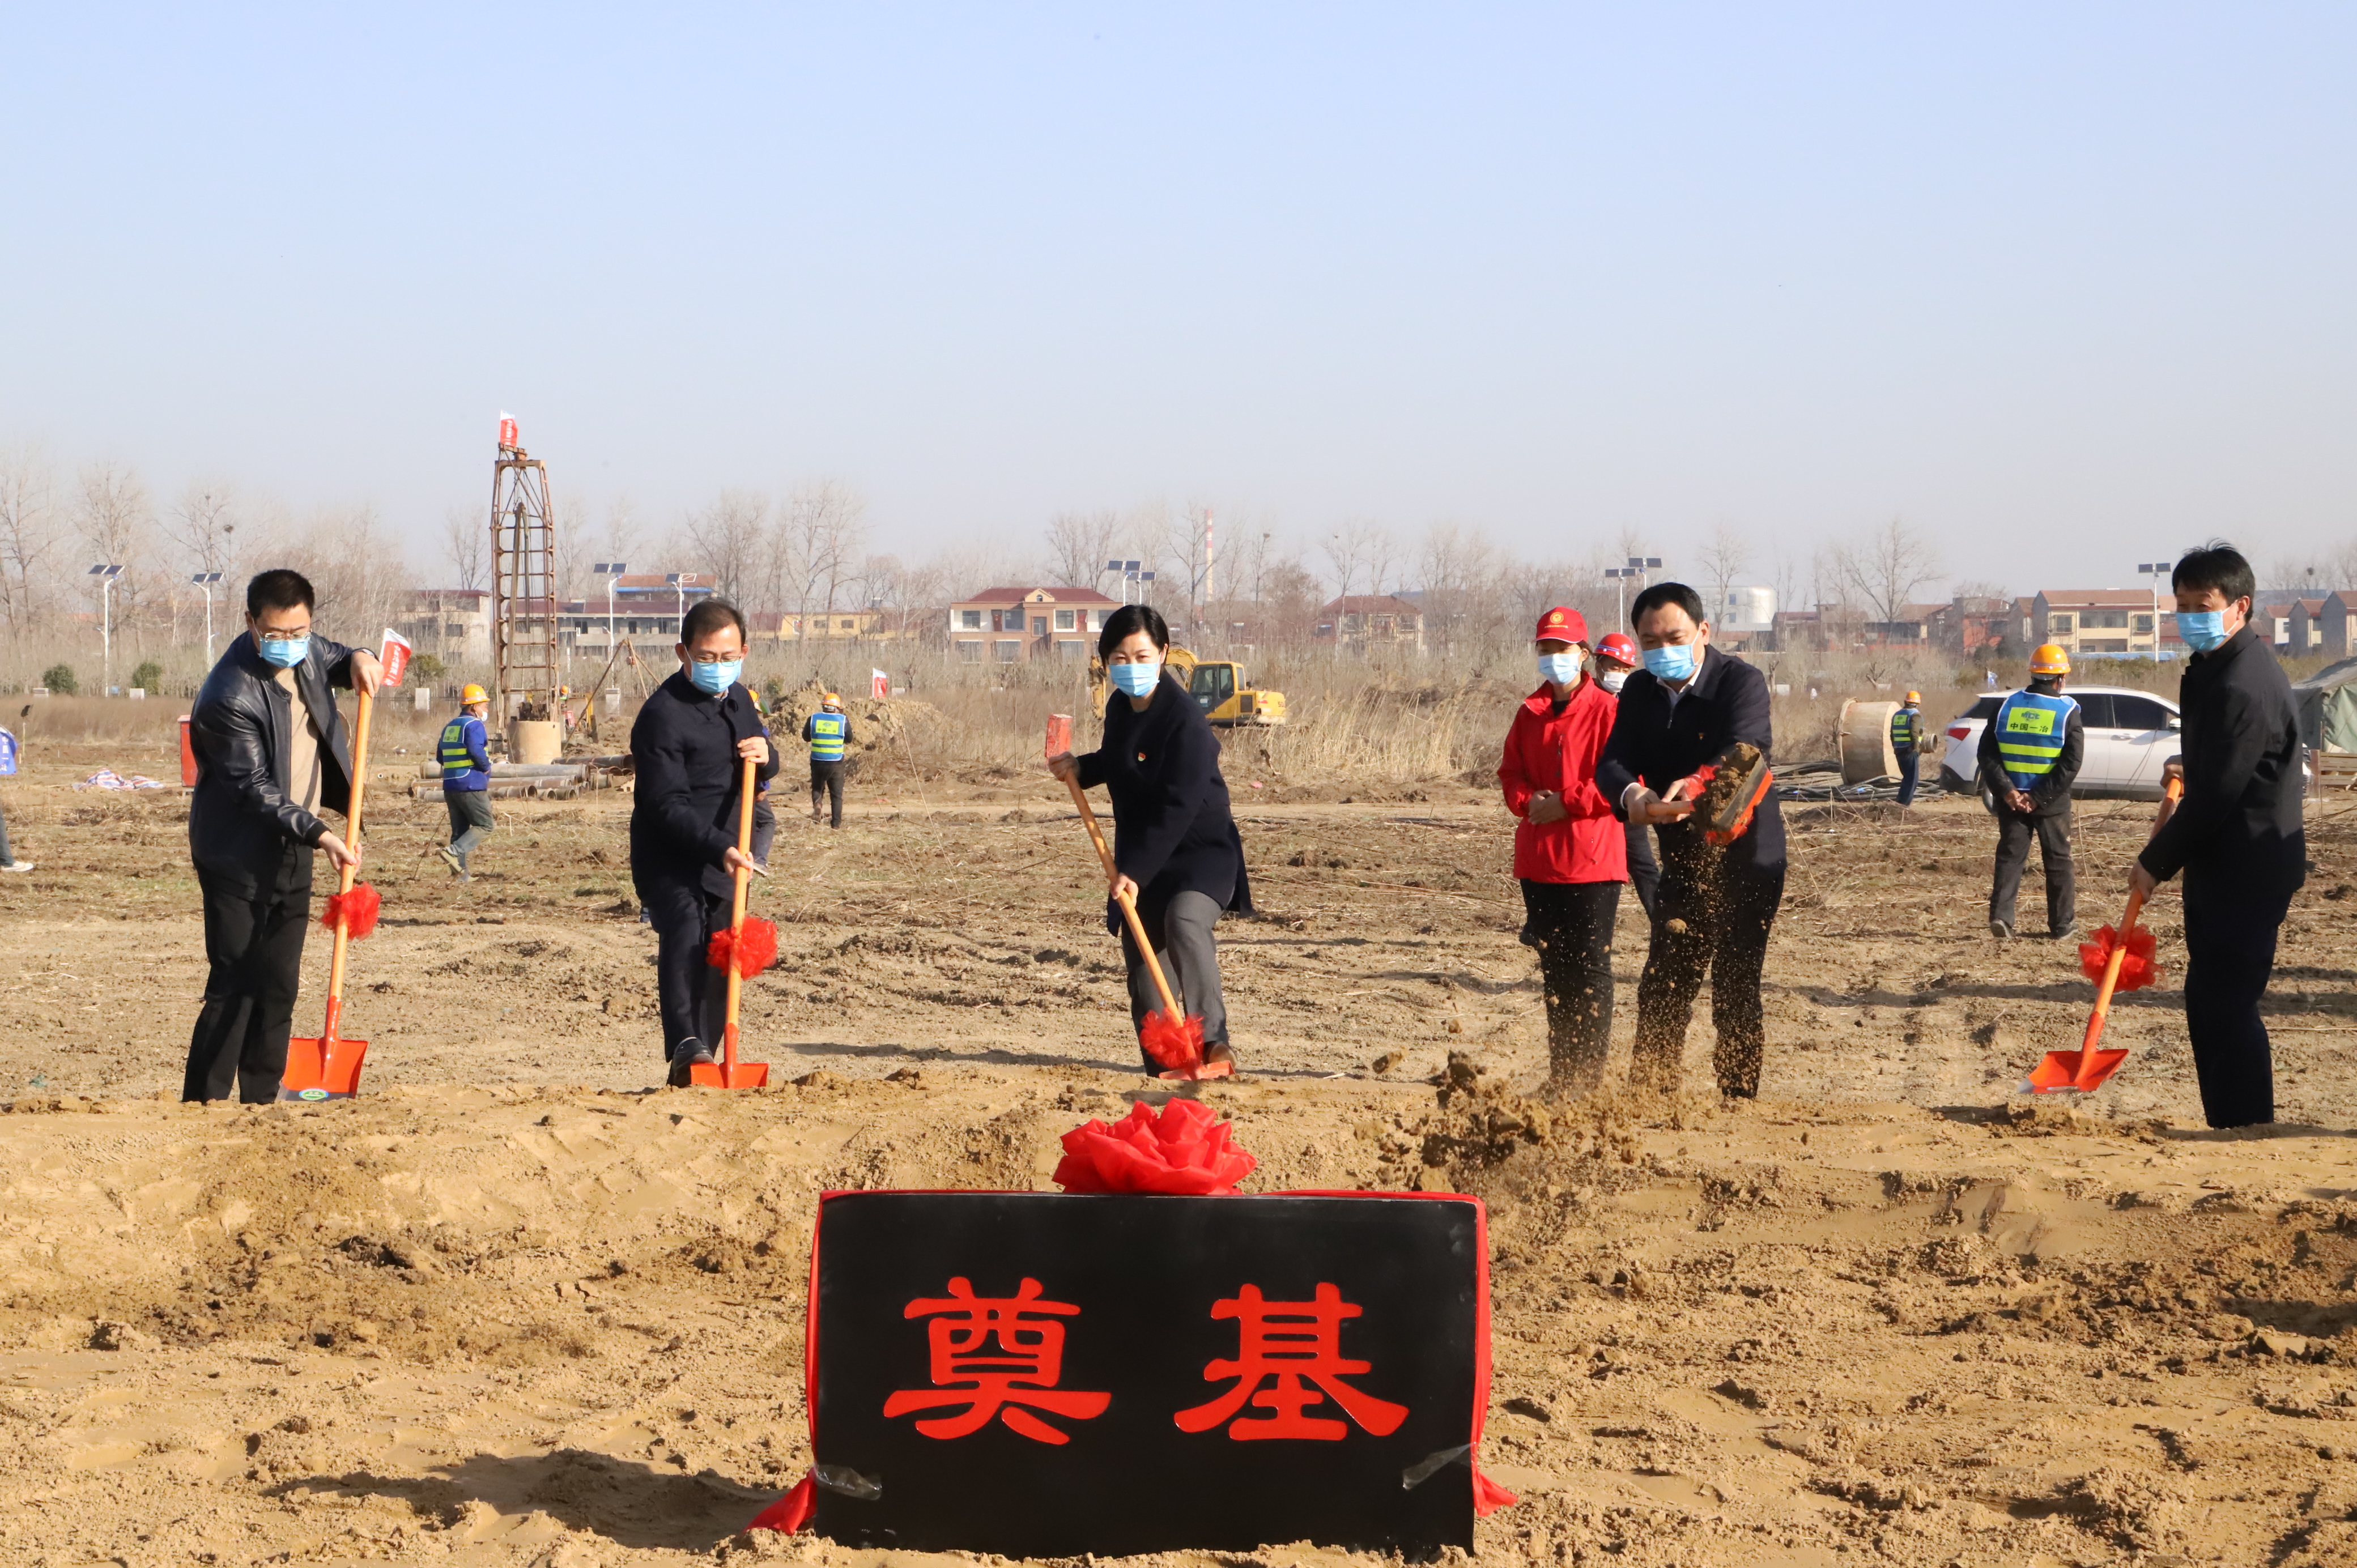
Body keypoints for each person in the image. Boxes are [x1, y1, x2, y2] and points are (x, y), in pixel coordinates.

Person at [183, 569, 382, 1102]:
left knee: (278, 982)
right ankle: (204, 1101)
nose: (290, 644)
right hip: (237, 854)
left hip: (297, 846)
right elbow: (253, 789)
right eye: (276, 634)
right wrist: (322, 834)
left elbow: (338, 657)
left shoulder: (308, 650)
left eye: (299, 632)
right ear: (251, 623)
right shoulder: (228, 695)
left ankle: (262, 1095)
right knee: (236, 980)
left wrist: (361, 656)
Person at [2131, 543, 2304, 1128]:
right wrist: (2191, 763)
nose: (2188, 617)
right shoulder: (2216, 668)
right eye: (2180, 605)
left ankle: (2246, 1127)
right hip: (2222, 864)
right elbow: (2230, 762)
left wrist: (2153, 863)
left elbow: (2217, 798)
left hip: (2247, 866)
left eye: (2201, 606)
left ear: (2239, 606)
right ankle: (2228, 1121)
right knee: (2208, 1000)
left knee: (2226, 1004)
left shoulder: (2242, 683)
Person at [1597, 582, 1786, 1098]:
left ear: (1703, 631)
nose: (1662, 650)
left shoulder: (1740, 682)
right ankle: (1650, 1093)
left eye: (1674, 638)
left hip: (1749, 855)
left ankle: (1737, 1097)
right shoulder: (1639, 691)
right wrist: (1632, 792)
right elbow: (1612, 762)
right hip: (1684, 857)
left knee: (1735, 982)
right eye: (1650, 641)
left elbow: (1747, 749)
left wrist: (1699, 784)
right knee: (1664, 980)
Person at [1048, 604, 1252, 1073]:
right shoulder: (1121, 707)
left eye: (1141, 657)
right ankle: (1166, 1065)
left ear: (1163, 654)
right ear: (1106, 662)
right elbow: (1122, 759)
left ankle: (1213, 1044)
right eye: (1120, 658)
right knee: (1144, 969)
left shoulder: (1186, 721)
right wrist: (1081, 767)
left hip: (1199, 854)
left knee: (1184, 920)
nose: (1131, 667)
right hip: (1144, 856)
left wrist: (1134, 872)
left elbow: (1178, 806)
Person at [629, 599, 778, 1086]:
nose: (719, 667)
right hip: (671, 853)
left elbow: (764, 762)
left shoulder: (741, 701)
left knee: (722, 949)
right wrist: (718, 847)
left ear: (744, 653)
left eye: (728, 657)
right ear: (684, 653)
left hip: (731, 850)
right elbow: (665, 803)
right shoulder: (662, 715)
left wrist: (767, 754)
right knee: (687, 929)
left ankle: (708, 1062)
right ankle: (686, 1045)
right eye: (707, 658)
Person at [1497, 607, 1628, 1095]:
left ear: (1584, 653)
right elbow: (1510, 773)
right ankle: (1562, 1076)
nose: (1553, 656)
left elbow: (1623, 780)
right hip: (1539, 860)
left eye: (1563, 648)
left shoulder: (1608, 711)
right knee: (1555, 970)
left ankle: (1587, 1082)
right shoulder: (1528, 713)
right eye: (1546, 648)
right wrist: (1528, 801)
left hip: (1592, 860)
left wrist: (1567, 803)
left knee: (1590, 969)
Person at [1979, 644, 2083, 940]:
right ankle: (2062, 926)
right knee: (2058, 861)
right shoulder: (2068, 712)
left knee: (2010, 858)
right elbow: (2071, 764)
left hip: (2011, 802)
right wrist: (2037, 797)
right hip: (2051, 802)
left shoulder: (2006, 706)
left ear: (2033, 674)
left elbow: (1987, 754)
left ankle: (2002, 918)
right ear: (2060, 679)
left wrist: (2008, 792)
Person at [1593, 632, 1660, 919]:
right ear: (1598, 664)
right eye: (1613, 666)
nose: (1618, 674)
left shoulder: (1631, 702)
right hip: (1590, 797)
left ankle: (1664, 921)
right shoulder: (1584, 700)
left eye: (1624, 669)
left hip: (1626, 794)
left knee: (1642, 863)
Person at [436, 684, 494, 880]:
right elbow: (476, 750)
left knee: (460, 832)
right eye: (484, 706)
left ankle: (461, 876)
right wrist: (486, 767)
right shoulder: (474, 725)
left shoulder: (451, 726)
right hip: (471, 785)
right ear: (474, 707)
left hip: (451, 785)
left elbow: (440, 756)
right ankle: (453, 851)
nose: (486, 709)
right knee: (485, 825)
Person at [803, 692, 852, 829]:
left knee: (817, 788)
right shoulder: (842, 720)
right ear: (837, 707)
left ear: (824, 706)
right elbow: (849, 739)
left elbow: (806, 737)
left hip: (817, 760)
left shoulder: (813, 718)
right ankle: (836, 824)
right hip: (836, 762)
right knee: (836, 795)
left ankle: (818, 806)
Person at [1892, 691, 1925, 807]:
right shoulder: (1915, 715)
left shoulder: (1897, 715)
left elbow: (1892, 734)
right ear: (1917, 703)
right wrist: (1916, 748)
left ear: (1906, 702)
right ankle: (1904, 805)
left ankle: (1899, 802)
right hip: (1910, 750)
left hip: (1899, 750)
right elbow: (1915, 733)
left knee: (1906, 778)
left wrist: (1895, 747)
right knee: (1912, 780)